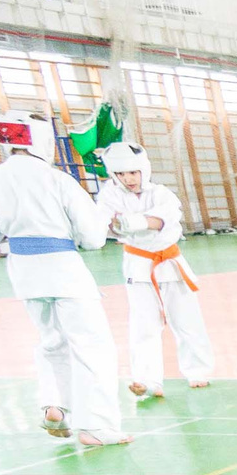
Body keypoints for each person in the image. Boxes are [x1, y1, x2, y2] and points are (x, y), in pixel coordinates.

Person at [0, 110, 125, 446]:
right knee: (92, 346)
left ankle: (55, 405)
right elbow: (93, 238)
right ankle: (96, 426)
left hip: (23, 270)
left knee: (51, 342)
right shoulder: (57, 180)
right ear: (41, 139)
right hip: (63, 268)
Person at [94, 142, 213, 399]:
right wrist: (113, 227)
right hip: (137, 265)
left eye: (133, 173)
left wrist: (130, 222)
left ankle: (198, 370)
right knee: (143, 325)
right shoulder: (109, 195)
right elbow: (103, 224)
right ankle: (148, 381)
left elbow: (159, 221)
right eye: (122, 174)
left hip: (170, 262)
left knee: (187, 320)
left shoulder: (162, 194)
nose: (129, 179)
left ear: (143, 170)